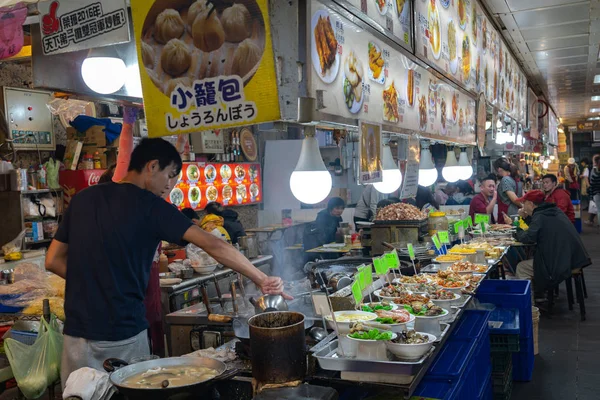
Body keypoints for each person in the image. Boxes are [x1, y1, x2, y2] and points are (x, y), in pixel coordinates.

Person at [46, 138, 288, 387]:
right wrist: (261, 278)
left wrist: (93, 283)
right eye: (170, 175)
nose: (170, 185)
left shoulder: (84, 199)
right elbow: (213, 244)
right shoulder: (151, 207)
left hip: (75, 336)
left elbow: (53, 260)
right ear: (152, 166)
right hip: (122, 334)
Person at [513, 190, 591, 299]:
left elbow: (526, 238)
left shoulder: (540, 215)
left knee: (521, 267)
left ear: (530, 204)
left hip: (560, 262)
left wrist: (519, 222)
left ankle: (529, 309)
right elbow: (535, 229)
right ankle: (539, 293)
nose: (522, 206)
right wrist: (527, 218)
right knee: (534, 258)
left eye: (524, 203)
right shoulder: (553, 210)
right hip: (573, 257)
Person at [589, 154, 600, 224]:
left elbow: (592, 183)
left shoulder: (594, 170)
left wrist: (591, 196)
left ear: (595, 162)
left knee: (599, 210)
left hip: (596, 193)